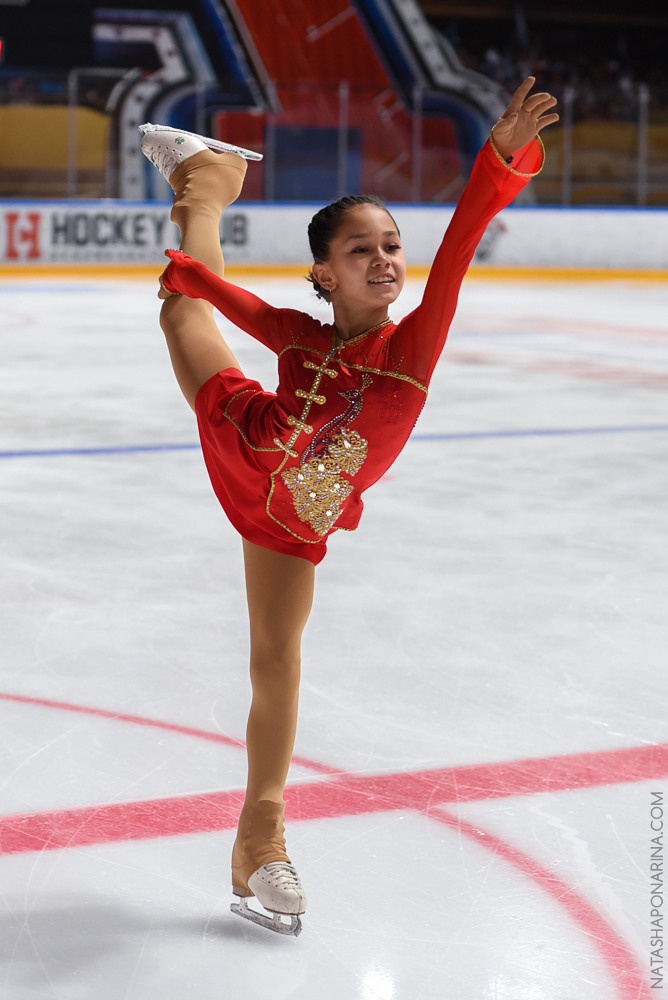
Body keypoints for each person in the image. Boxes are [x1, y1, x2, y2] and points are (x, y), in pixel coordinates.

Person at [138, 76, 558, 936]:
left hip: (291, 519)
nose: (385, 259)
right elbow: (251, 313)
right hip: (245, 437)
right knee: (183, 317)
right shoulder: (302, 332)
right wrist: (195, 280)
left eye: (391, 245)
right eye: (361, 250)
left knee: (276, 662)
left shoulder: (415, 343)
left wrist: (499, 158)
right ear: (326, 273)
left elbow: (464, 241)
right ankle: (207, 180)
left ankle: (260, 840)